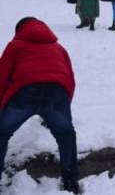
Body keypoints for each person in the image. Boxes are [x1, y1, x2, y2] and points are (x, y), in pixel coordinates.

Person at [0, 17, 80, 193]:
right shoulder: (59, 48)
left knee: (2, 132)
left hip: (24, 94)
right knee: (66, 135)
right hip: (56, 94)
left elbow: (2, 76)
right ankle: (70, 180)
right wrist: (63, 107)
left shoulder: (16, 46)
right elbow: (70, 80)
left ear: (20, 31)